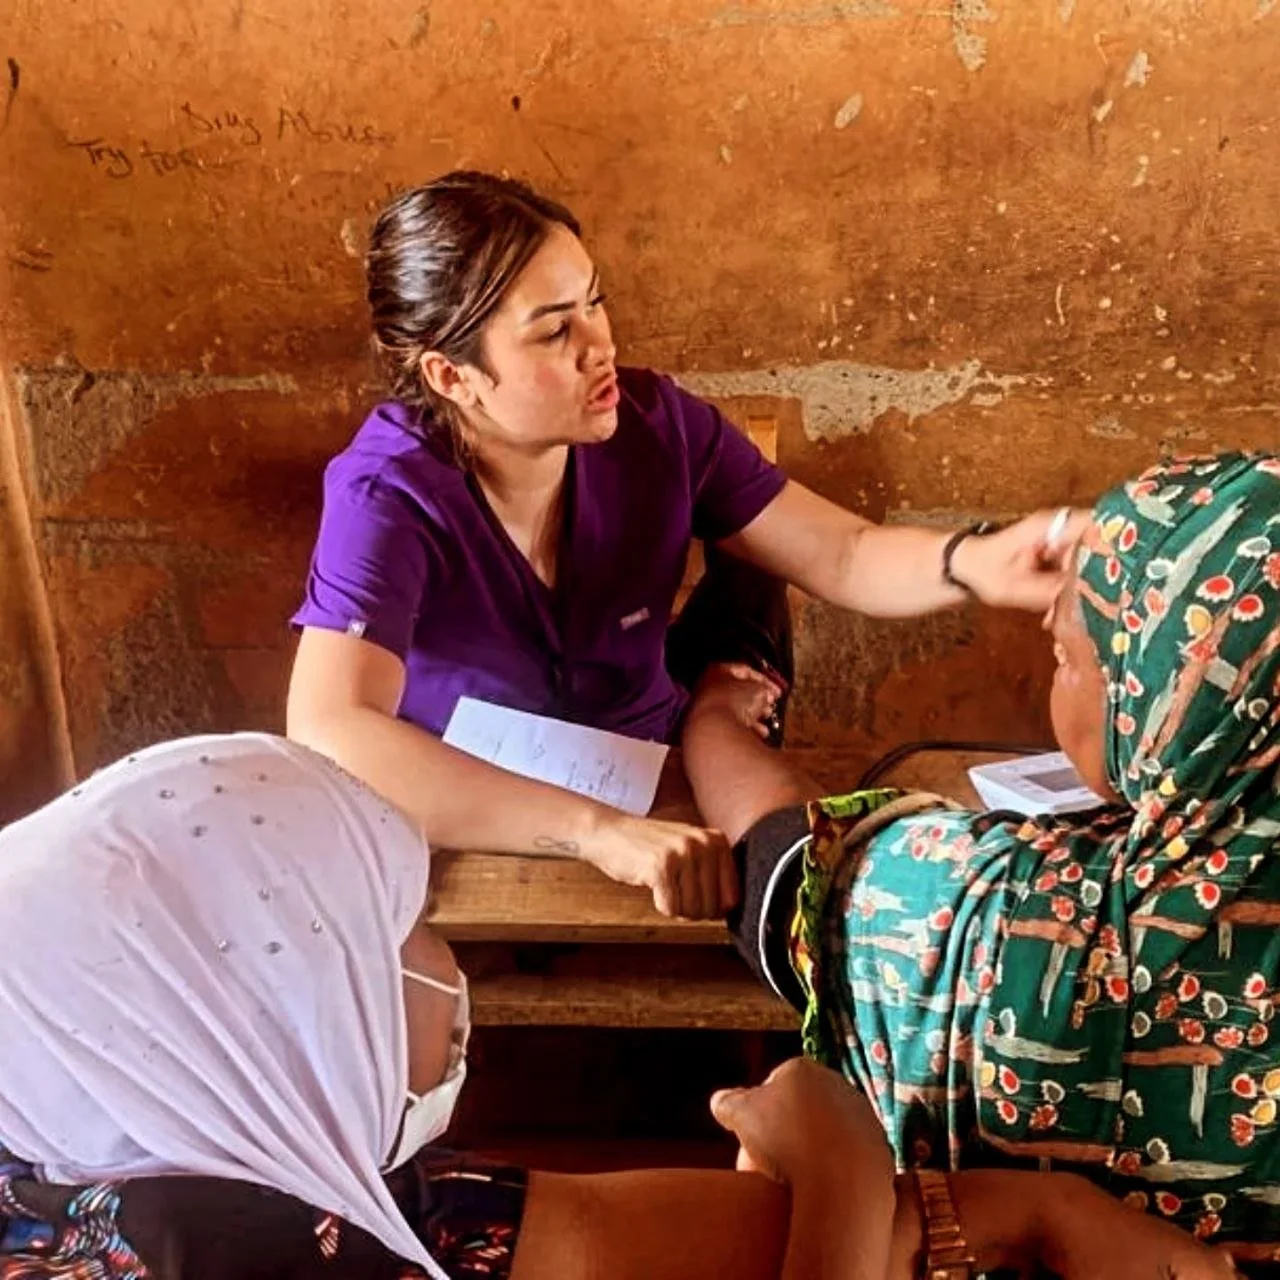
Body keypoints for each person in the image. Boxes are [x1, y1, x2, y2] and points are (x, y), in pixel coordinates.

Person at [0, 735, 1239, 1279]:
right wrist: (843, 1155)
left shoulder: (144, 1175)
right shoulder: (237, 1254)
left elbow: (590, 1236)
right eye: (391, 929)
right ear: (252, 1026)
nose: (440, 956)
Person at [287, 168, 1084, 919]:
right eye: (554, 330)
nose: (598, 344)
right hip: (483, 803)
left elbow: (842, 554)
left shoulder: (656, 426)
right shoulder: (387, 492)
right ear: (452, 377)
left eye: (595, 303)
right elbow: (332, 728)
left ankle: (716, 690)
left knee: (752, 593)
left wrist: (974, 560)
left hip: (646, 765)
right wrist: (596, 832)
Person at [680, 450, 1280, 1268]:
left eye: (1071, 659)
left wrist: (717, 711)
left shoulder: (988, 912)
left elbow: (781, 858)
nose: (1048, 648)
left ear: (1168, 709)